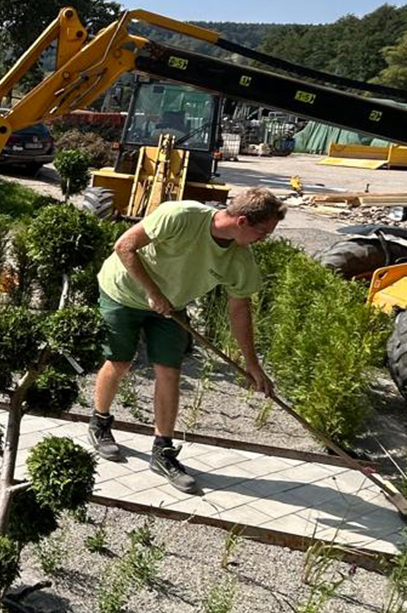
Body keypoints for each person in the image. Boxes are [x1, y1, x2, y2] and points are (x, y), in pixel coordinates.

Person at [88, 187, 286, 493]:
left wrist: (252, 365)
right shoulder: (180, 215)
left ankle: (162, 451)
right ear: (243, 222)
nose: (264, 240)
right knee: (120, 361)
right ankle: (99, 424)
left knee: (169, 371)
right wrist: (154, 293)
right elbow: (124, 246)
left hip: (171, 307)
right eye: (263, 232)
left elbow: (240, 309)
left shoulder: (239, 259)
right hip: (123, 292)